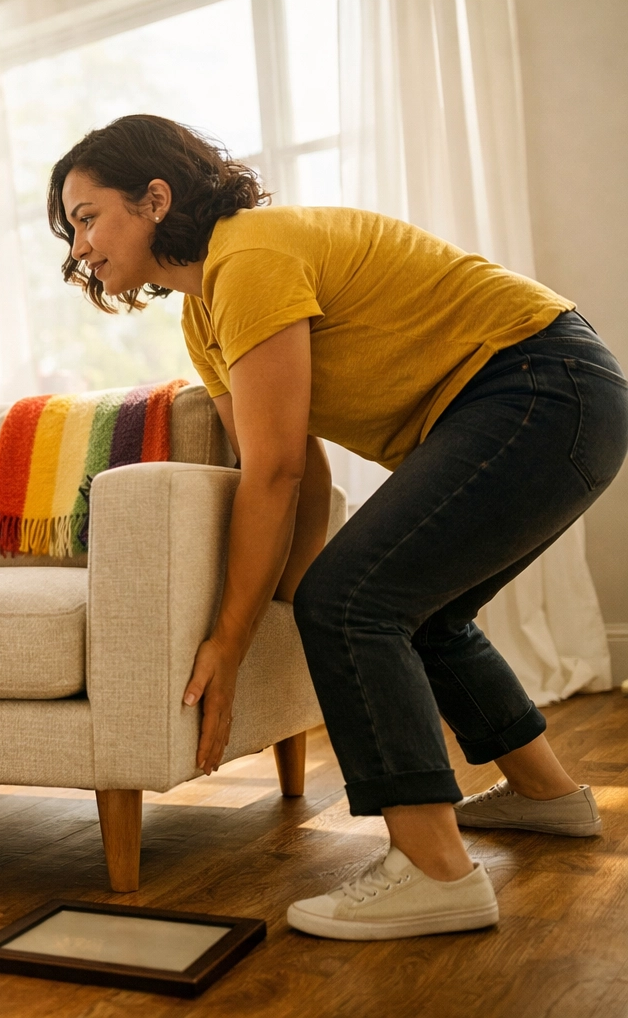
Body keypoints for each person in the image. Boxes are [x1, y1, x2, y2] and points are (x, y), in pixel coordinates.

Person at [47, 115, 628, 939]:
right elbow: (289, 467)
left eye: (85, 217)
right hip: (556, 401)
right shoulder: (202, 314)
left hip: (541, 385)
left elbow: (278, 473)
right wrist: (286, 609)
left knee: (354, 601)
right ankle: (546, 795)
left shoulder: (250, 255)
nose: (79, 250)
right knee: (412, 608)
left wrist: (240, 633)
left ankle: (435, 871)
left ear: (154, 198)